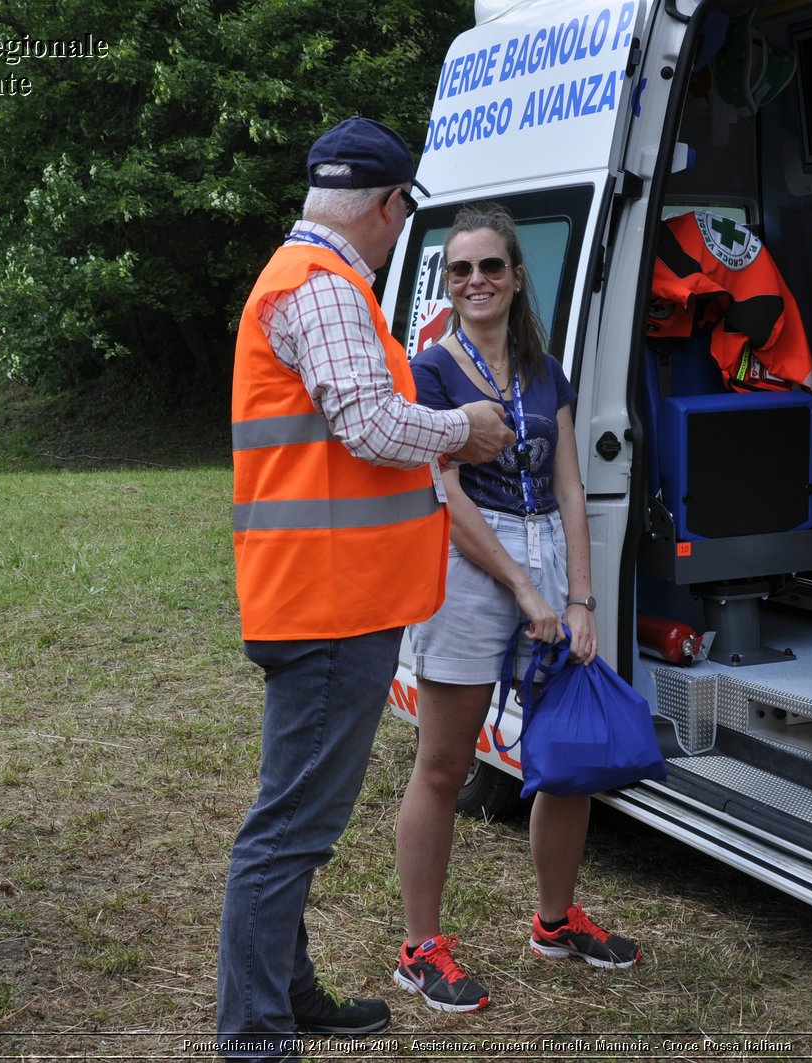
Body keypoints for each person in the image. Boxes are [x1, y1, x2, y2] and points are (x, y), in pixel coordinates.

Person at [218, 118, 514, 1061]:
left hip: (321, 597)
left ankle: (286, 995)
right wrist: (461, 426)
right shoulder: (326, 286)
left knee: (296, 818)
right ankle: (256, 1034)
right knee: (289, 830)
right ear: (390, 206)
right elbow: (372, 427)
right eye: (402, 218)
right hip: (330, 605)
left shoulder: (299, 278)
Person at [391, 205, 643, 1015]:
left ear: (515, 274)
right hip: (469, 561)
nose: (475, 281)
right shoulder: (431, 369)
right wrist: (526, 594)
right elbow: (447, 492)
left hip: (545, 552)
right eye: (460, 269)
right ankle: (420, 949)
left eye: (490, 266)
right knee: (444, 764)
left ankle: (554, 921)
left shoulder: (544, 368)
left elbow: (571, 488)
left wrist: (579, 597)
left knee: (566, 754)